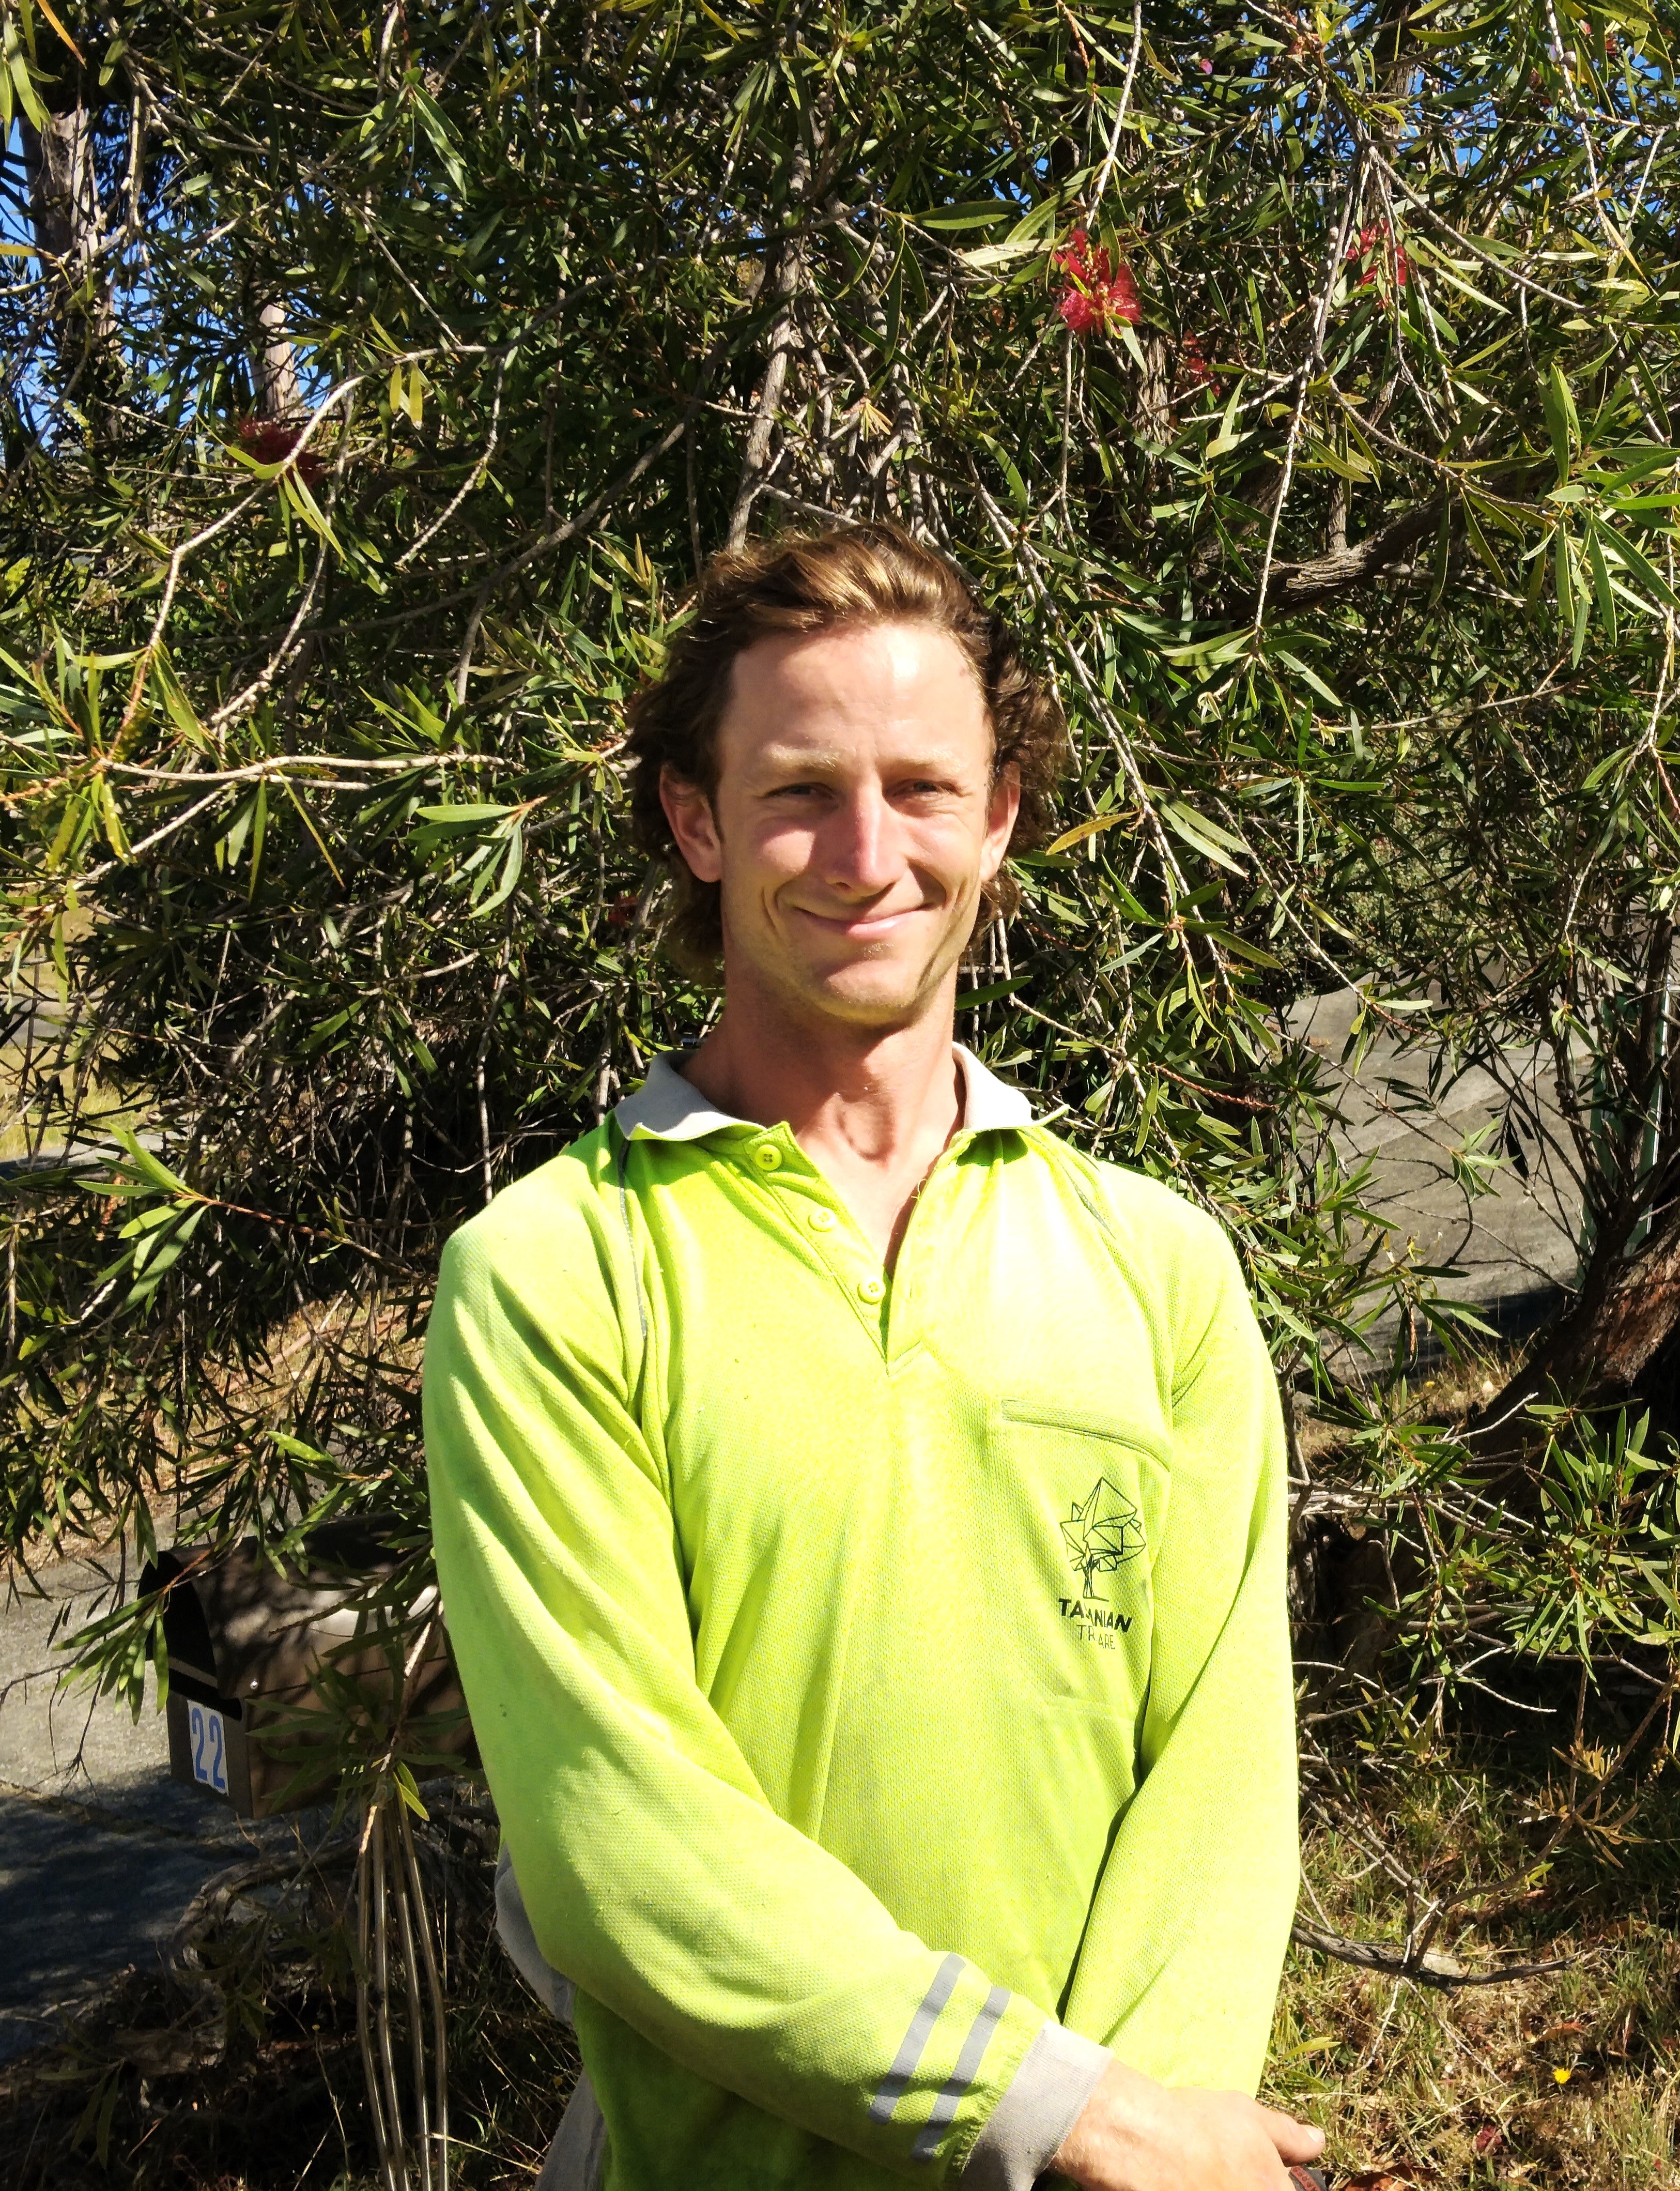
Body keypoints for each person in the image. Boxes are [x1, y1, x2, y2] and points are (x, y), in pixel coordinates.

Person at [423, 524, 1321, 2191]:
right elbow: (628, 1851)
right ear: (695, 823)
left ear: (999, 818)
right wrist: (1077, 2122)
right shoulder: (554, 1277)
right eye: (795, 791)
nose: (863, 852)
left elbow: (1222, 1772)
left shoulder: (1159, 1268)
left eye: (921, 787)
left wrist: (1136, 2143)